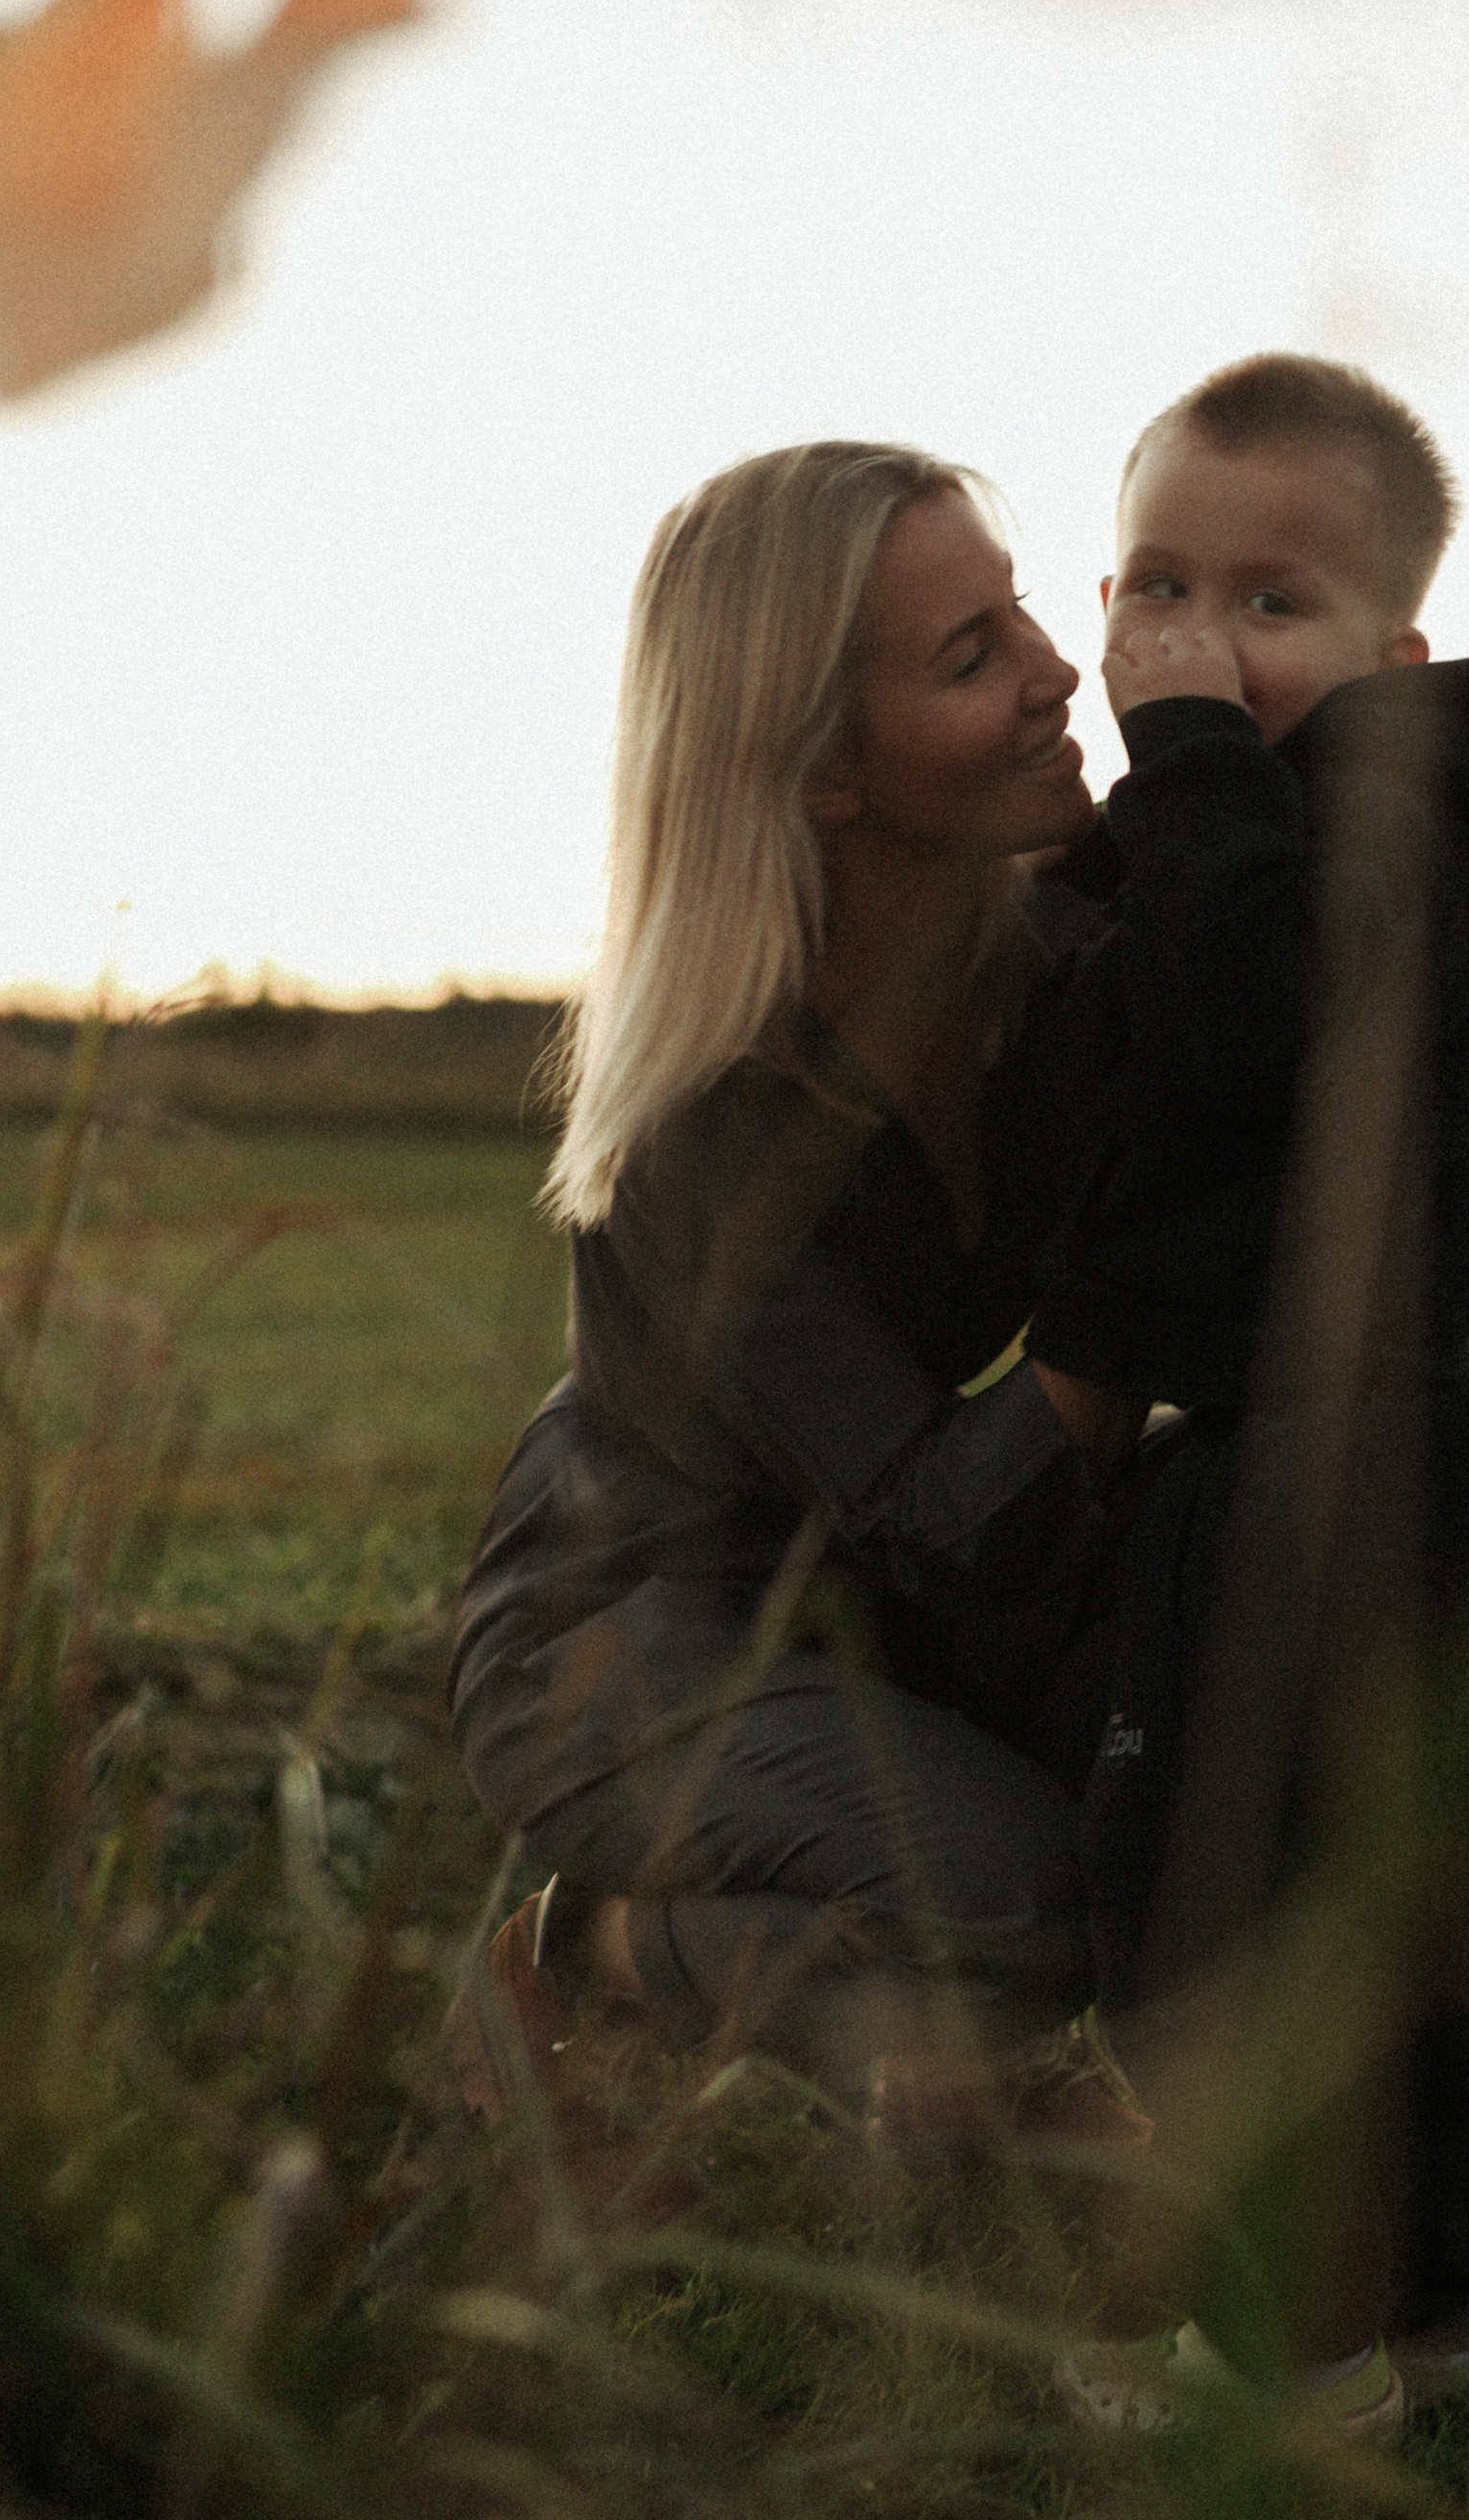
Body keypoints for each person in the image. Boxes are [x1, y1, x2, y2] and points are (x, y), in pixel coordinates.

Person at [444, 440, 1152, 2149]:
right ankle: (594, 1953)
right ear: (827, 770)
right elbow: (953, 1523)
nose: (1062, 671)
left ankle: (920, 2030)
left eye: (1023, 610)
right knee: (1042, 1903)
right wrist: (1145, 1313)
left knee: (1176, 1794)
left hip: (859, 1593)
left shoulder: (1051, 958)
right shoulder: (698, 1146)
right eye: (971, 655)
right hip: (625, 1633)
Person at [1025, 354, 1469, 2394]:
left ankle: (1294, 2352)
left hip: (1363, 1442)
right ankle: (1436, 2311)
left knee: (1252, 1910)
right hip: (1272, 1444)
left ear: (1396, 649)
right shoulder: (1198, 841)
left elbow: (1271, 1017)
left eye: (1270, 605)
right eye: (1151, 589)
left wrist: (1177, 756)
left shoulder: (1429, 816)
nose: (1194, 645)